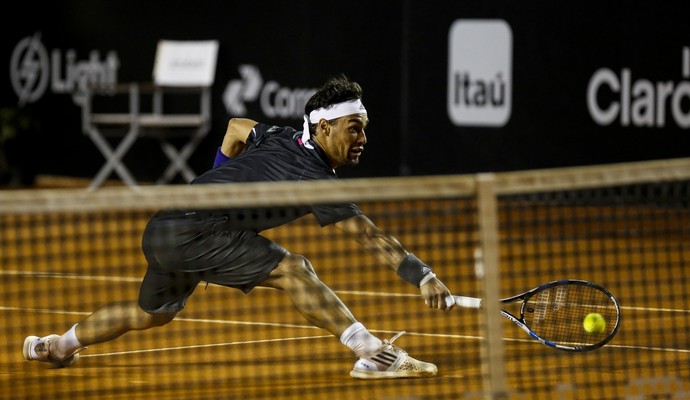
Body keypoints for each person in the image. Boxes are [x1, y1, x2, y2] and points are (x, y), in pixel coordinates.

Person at [23, 74, 456, 379]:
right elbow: (368, 236)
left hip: (165, 224)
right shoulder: (313, 178)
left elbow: (234, 128)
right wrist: (423, 275)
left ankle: (57, 346)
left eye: (364, 129)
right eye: (354, 128)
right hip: (197, 233)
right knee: (295, 269)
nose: (363, 139)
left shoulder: (280, 135)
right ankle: (370, 354)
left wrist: (213, 186)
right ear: (324, 127)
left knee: (148, 315)